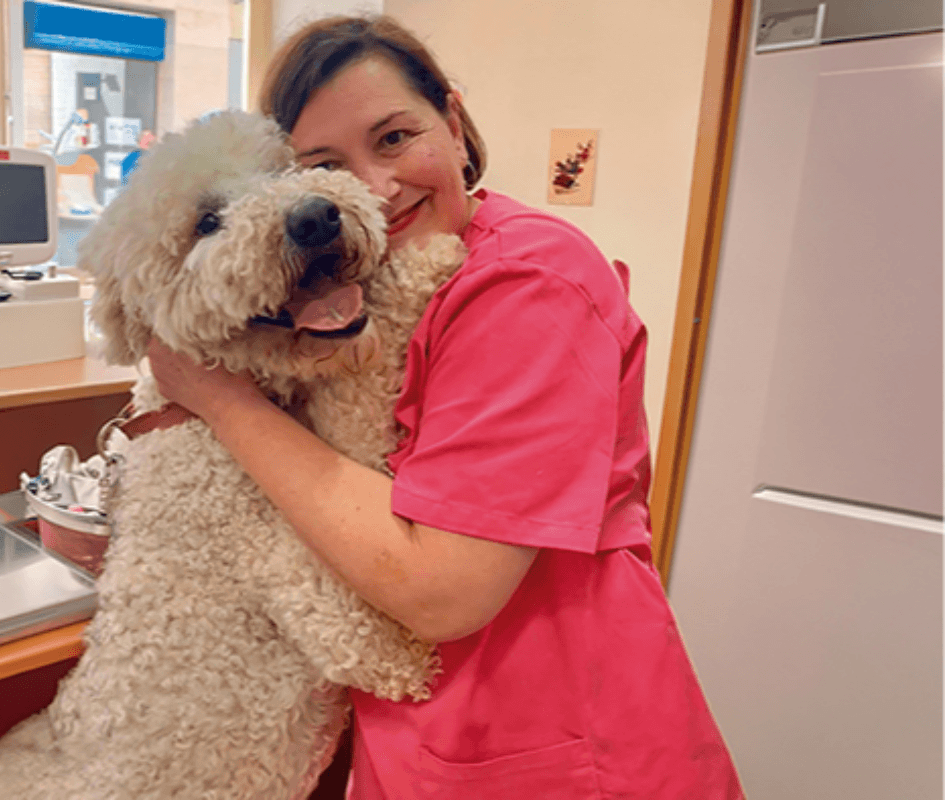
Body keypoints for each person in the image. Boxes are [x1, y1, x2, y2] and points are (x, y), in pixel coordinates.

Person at [145, 14, 744, 799]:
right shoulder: (348, 301)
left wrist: (221, 399)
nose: (377, 187)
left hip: (555, 739)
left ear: (454, 125)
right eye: (326, 166)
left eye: (395, 138)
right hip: (420, 738)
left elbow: (443, 587)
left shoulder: (529, 285)